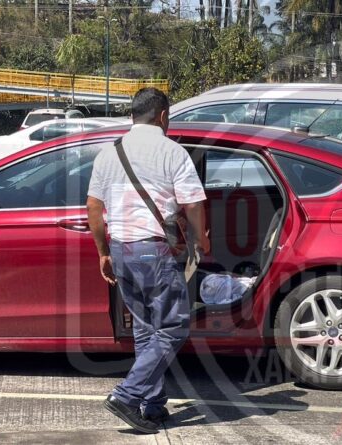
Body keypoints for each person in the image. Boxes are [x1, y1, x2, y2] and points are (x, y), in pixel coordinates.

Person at [87, 87, 210, 434]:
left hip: (122, 249)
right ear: (163, 116)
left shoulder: (108, 154)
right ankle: (127, 396)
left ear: (132, 116)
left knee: (145, 329)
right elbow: (193, 203)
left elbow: (94, 208)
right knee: (173, 328)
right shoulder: (172, 151)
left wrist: (103, 252)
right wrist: (201, 237)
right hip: (154, 251)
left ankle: (151, 406)